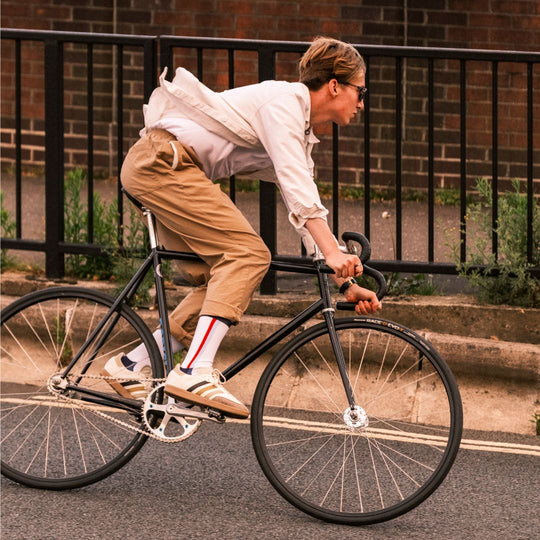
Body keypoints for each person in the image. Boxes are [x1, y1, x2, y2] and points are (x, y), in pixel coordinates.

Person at [102, 36, 382, 418]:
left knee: (225, 280)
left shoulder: (297, 129)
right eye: (360, 91)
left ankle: (133, 364)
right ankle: (193, 371)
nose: (362, 103)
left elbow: (302, 200)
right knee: (248, 255)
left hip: (167, 169)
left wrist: (344, 282)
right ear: (335, 85)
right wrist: (334, 253)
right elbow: (299, 190)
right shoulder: (283, 103)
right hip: (164, 164)